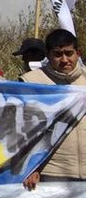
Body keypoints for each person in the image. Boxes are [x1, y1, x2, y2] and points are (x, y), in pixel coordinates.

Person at [22, 28, 86, 188]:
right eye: (57, 54)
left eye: (69, 53)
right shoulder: (31, 83)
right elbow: (23, 130)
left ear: (78, 53)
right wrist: (32, 167)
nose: (64, 59)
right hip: (52, 172)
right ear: (48, 55)